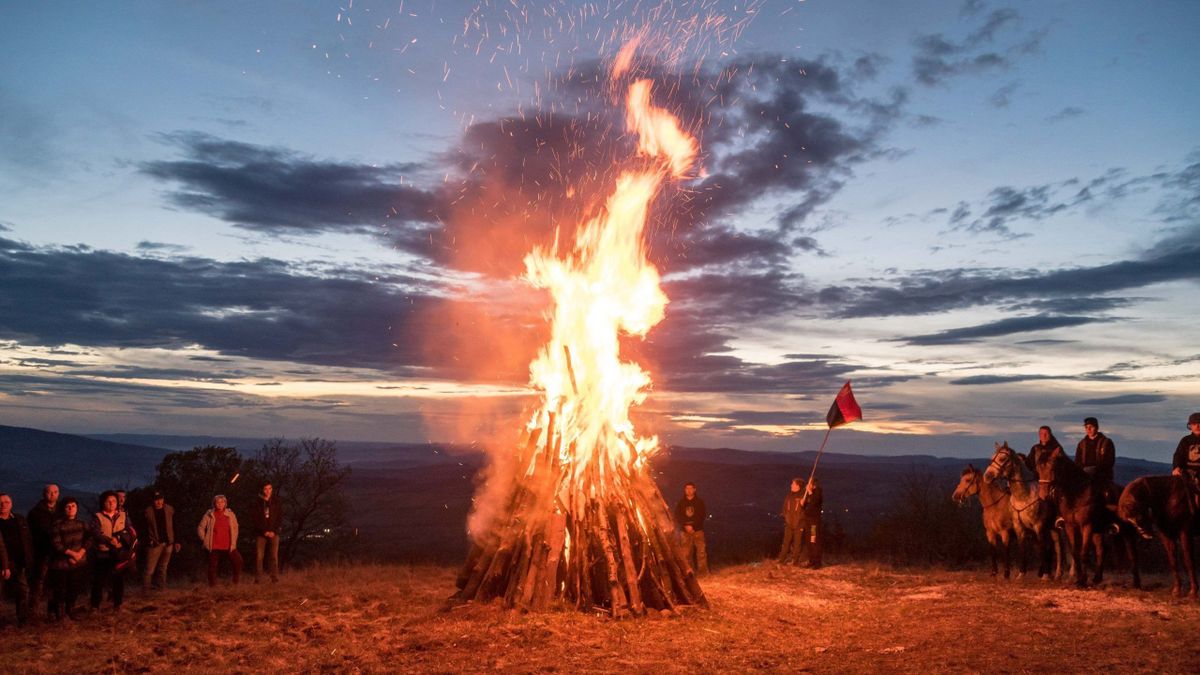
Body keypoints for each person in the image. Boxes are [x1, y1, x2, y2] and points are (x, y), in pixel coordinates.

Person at [49, 497, 90, 620]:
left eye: (73, 506)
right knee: (61, 589)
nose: (71, 508)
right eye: (68, 506)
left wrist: (81, 553)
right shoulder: (57, 525)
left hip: (79, 562)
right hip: (62, 563)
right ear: (63, 509)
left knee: (74, 587)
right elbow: (56, 544)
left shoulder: (82, 524)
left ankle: (70, 610)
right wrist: (72, 554)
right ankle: (60, 614)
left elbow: (89, 539)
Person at [90, 490, 132, 611]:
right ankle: (95, 605)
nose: (111, 503)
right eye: (108, 501)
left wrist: (121, 540)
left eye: (114, 501)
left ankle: (118, 604)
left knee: (118, 579)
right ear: (103, 503)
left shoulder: (123, 515)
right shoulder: (98, 516)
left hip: (118, 553)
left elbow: (130, 531)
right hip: (103, 553)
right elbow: (95, 533)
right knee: (99, 580)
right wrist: (109, 540)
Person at [0, 493, 35, 626]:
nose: (3, 505)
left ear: (11, 504)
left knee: (23, 591)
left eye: (6, 502)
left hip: (19, 562)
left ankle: (23, 619)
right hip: (1, 563)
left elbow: (27, 540)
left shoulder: (19, 519)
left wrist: (29, 558)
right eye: (1, 502)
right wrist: (4, 565)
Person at [26, 483, 60, 617]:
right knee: (39, 581)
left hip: (59, 552)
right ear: (44, 494)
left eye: (55, 492)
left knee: (56, 581)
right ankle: (32, 611)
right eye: (49, 492)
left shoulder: (62, 510)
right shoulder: (35, 513)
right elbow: (30, 535)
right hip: (42, 551)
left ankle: (53, 611)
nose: (52, 495)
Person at [197, 495, 243, 586]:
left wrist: (234, 541)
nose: (220, 504)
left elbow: (235, 527)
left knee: (238, 561)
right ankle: (213, 586)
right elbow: (200, 527)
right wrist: (205, 540)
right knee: (212, 566)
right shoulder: (209, 514)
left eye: (222, 502)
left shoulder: (230, 514)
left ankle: (235, 582)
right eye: (218, 502)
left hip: (228, 544)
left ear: (225, 503)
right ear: (214, 503)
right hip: (214, 545)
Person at [142, 491, 179, 591]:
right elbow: (142, 528)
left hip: (168, 543)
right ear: (153, 500)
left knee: (163, 567)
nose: (158, 502)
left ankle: (161, 589)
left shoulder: (169, 509)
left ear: (163, 499)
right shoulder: (148, 512)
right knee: (149, 569)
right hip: (154, 544)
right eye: (156, 500)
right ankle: (146, 590)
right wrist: (148, 541)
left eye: (160, 499)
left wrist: (177, 541)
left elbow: (175, 525)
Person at [1075, 416, 1118, 502]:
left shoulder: (1106, 442)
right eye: (1086, 427)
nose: (1089, 429)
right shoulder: (1082, 444)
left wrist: (1096, 469)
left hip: (1101, 474)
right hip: (1084, 474)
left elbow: (1109, 461)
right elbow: (1077, 461)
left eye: (1091, 427)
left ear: (1097, 427)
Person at [250, 482, 282, 583]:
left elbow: (279, 518)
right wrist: (264, 531)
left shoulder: (276, 502)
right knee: (259, 556)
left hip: (274, 533)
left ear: (272, 489)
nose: (268, 491)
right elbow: (255, 519)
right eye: (265, 489)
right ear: (262, 490)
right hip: (261, 533)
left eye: (269, 488)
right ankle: (258, 578)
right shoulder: (257, 503)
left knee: (274, 556)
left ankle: (274, 577)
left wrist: (274, 531)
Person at [674, 482, 707, 574]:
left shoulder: (699, 502)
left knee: (701, 552)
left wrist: (693, 526)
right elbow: (678, 516)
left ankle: (703, 572)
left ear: (694, 489)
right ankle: (689, 572)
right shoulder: (681, 503)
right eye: (686, 488)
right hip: (684, 532)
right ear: (684, 490)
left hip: (698, 530)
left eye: (690, 488)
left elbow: (702, 516)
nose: (688, 490)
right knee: (686, 554)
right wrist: (685, 525)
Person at [1171, 412, 1200, 508]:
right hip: (1187, 474)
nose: (1197, 426)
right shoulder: (1186, 440)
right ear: (1190, 426)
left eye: (1199, 423)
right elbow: (1178, 455)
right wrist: (1176, 467)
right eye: (1194, 424)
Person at [777, 478, 805, 565]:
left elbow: (805, 508)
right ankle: (781, 559)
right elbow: (785, 507)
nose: (791, 485)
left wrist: (801, 520)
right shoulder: (789, 495)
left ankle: (795, 561)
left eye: (793, 484)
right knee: (786, 542)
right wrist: (786, 516)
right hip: (789, 522)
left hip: (799, 523)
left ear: (798, 486)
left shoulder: (803, 496)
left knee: (797, 543)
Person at [799, 478, 823, 569]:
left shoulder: (818, 492)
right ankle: (811, 560)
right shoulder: (809, 494)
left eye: (809, 483)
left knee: (814, 540)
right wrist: (802, 504)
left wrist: (809, 492)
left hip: (814, 522)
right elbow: (806, 507)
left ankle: (817, 562)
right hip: (807, 520)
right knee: (808, 540)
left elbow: (814, 503)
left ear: (813, 484)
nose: (807, 485)